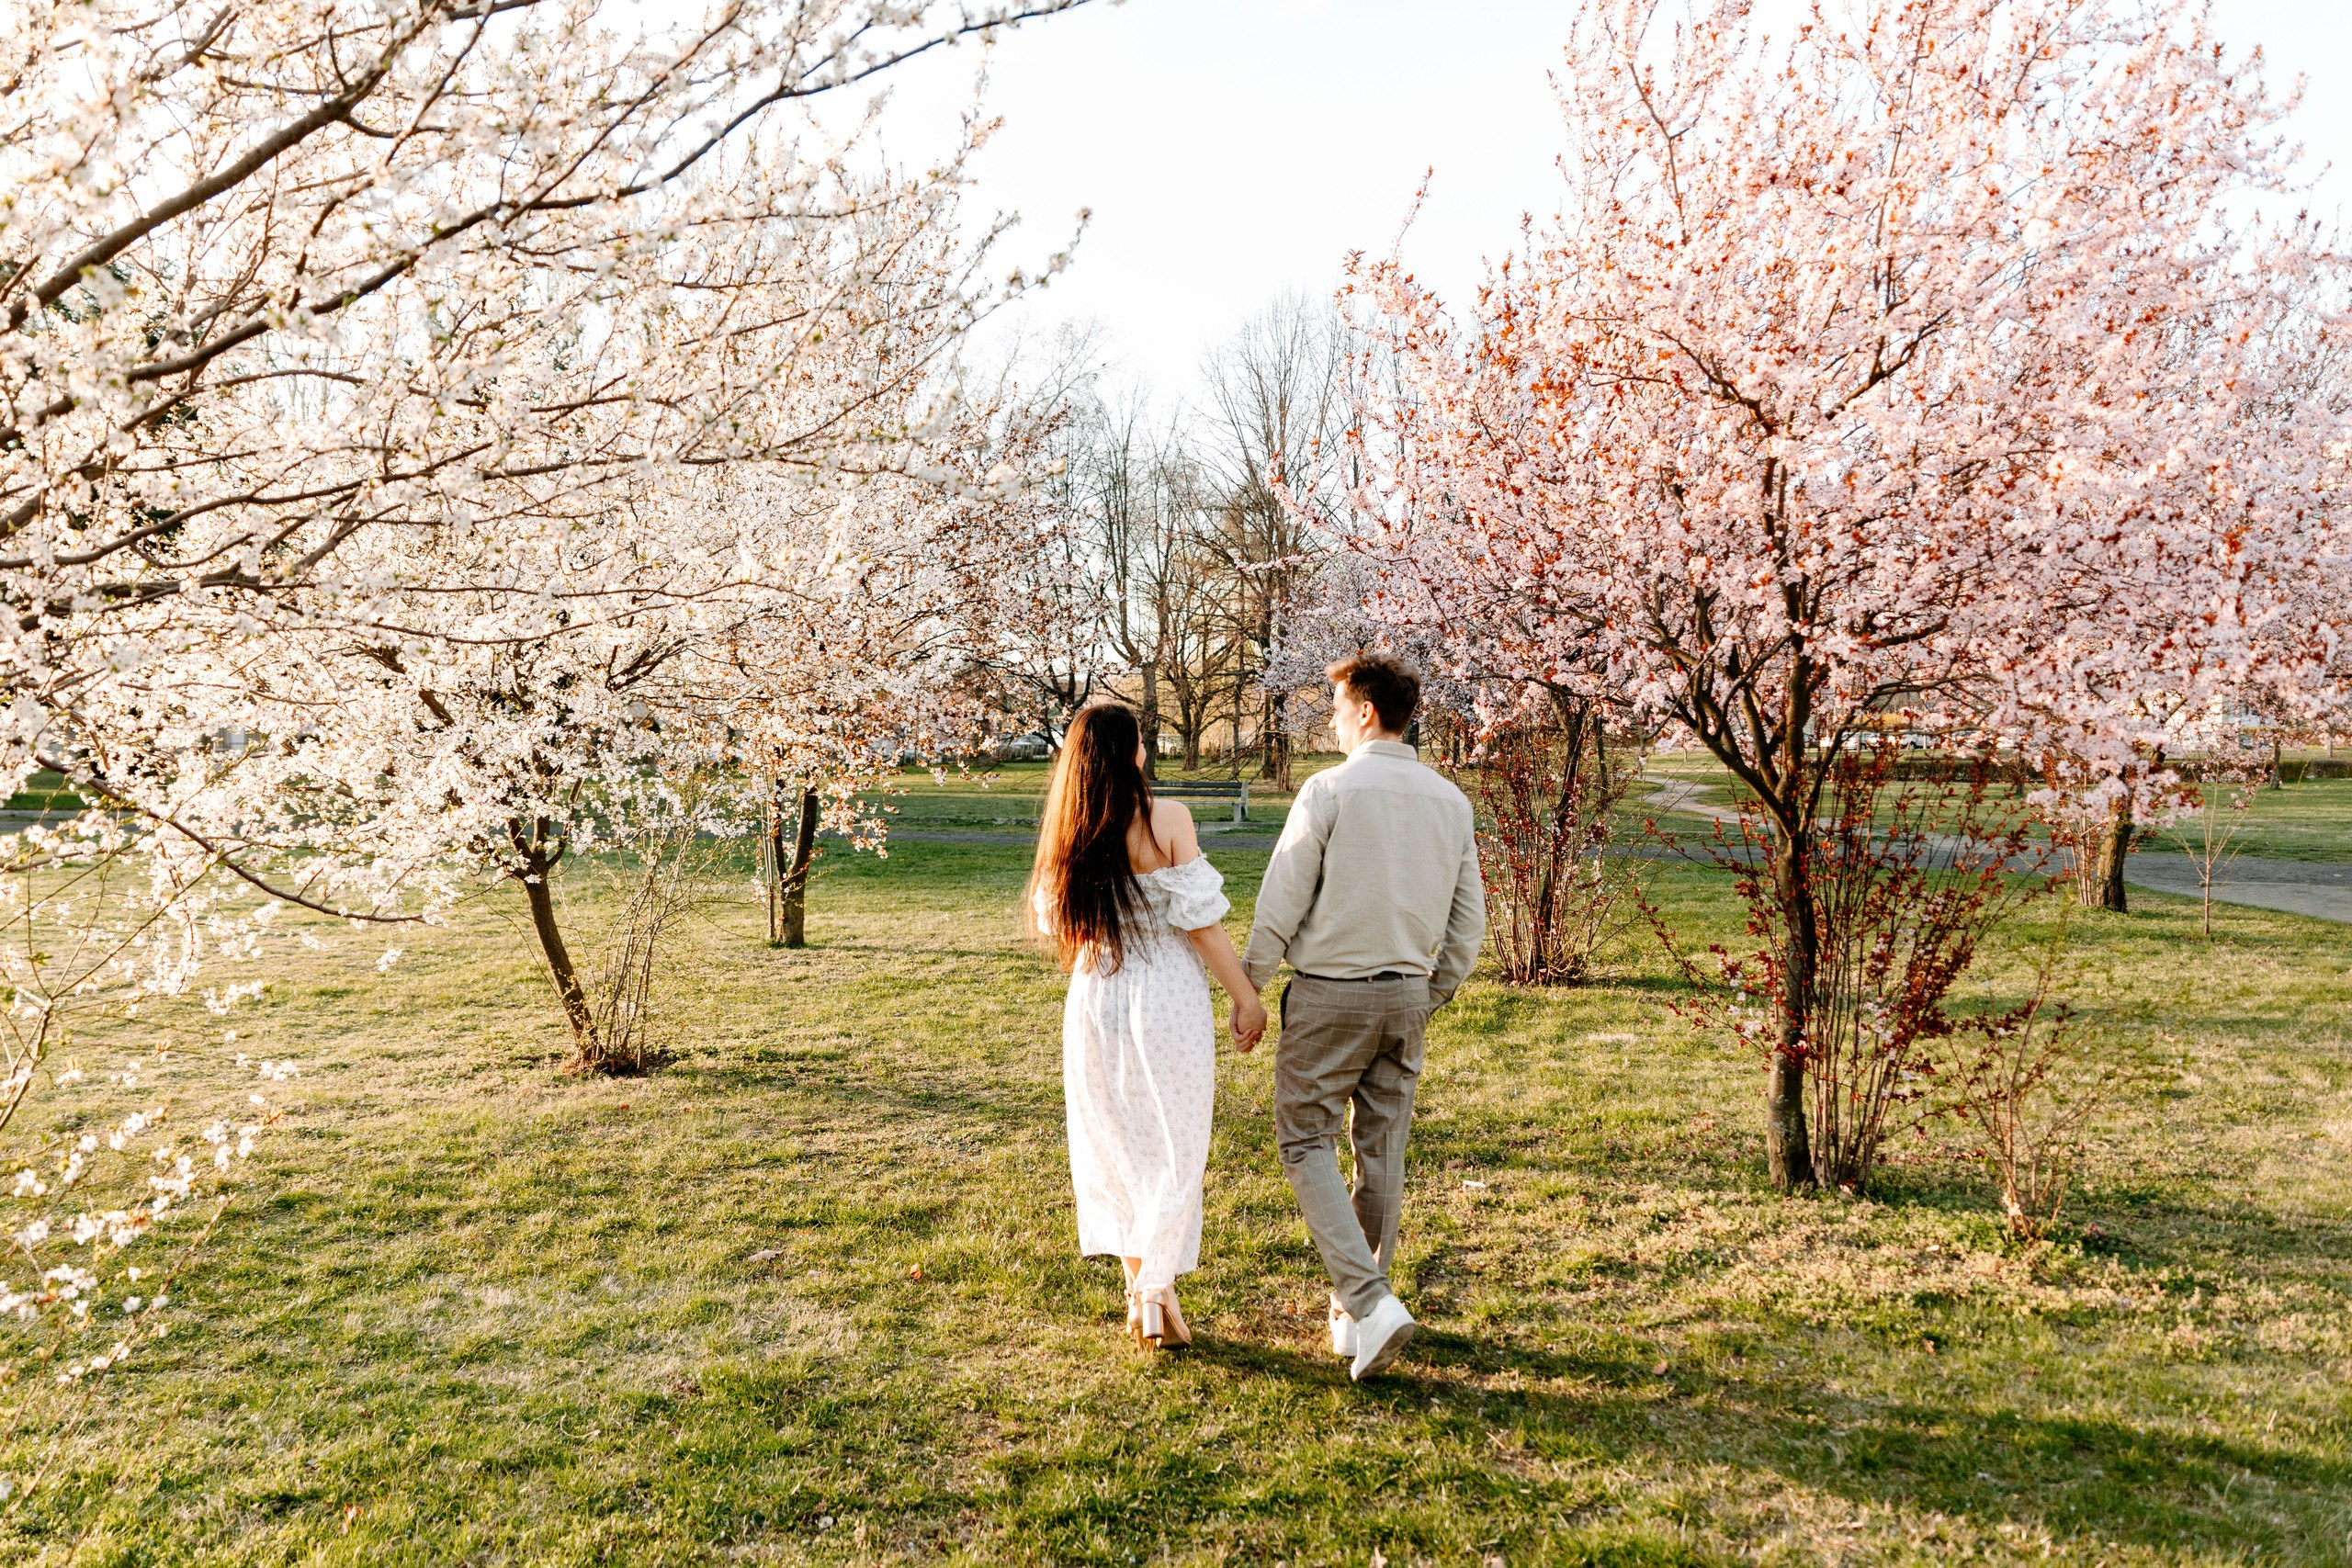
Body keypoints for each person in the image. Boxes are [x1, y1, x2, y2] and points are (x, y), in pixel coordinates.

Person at [1242, 652, 1485, 1380]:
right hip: (1407, 993)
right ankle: (1355, 1319)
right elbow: (1468, 926)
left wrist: (1249, 988)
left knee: (1304, 1140)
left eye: (1337, 706)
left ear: (1368, 711)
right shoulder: (1451, 800)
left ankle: (1369, 1302)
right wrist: (1428, 991)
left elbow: (1281, 901)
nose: (1334, 719)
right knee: (1382, 1146)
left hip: (1328, 995)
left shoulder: (1329, 790)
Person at [1027, 702, 1269, 1351]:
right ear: (1131, 750)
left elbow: (1057, 925)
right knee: (1173, 1146)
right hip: (1165, 999)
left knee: (1116, 1150)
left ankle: (1147, 1292)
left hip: (1097, 997)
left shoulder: (1068, 830)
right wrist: (1246, 997)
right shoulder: (1167, 820)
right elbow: (1200, 923)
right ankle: (1154, 1292)